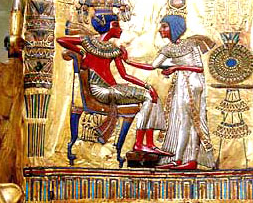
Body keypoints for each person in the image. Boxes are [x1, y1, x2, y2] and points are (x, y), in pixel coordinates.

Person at [56, 11, 171, 156]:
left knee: (151, 95)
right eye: (116, 25)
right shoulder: (88, 41)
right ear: (108, 25)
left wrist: (147, 86)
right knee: (149, 97)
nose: (120, 29)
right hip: (101, 91)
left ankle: (147, 143)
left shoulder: (112, 49)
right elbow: (61, 40)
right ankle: (142, 143)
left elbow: (125, 75)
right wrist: (81, 51)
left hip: (110, 89)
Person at [126, 15, 215, 170]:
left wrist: (177, 67)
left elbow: (199, 68)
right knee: (182, 121)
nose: (160, 30)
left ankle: (187, 160)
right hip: (181, 83)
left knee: (191, 121)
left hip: (193, 83)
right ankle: (181, 160)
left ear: (174, 28)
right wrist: (127, 61)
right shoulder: (168, 49)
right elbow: (152, 66)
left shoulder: (191, 44)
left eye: (164, 26)